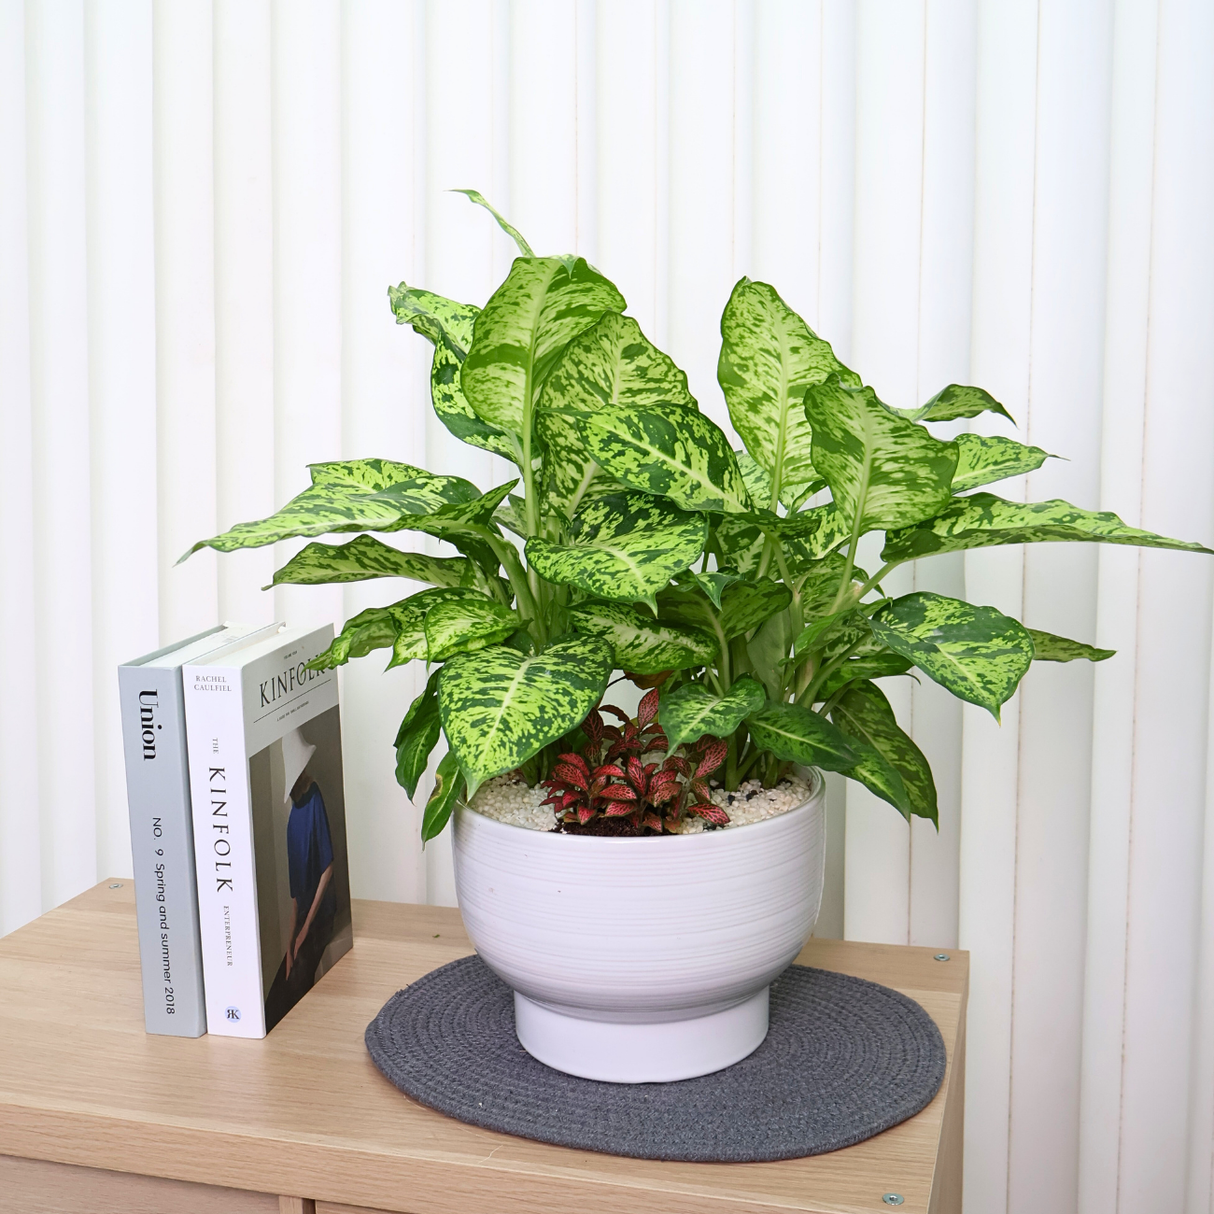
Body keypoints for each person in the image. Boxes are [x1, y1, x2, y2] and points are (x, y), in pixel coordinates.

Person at [264, 727, 336, 1029]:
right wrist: (290, 941)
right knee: (282, 978)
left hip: (321, 914)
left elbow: (327, 868)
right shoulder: (292, 822)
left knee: (298, 983)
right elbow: (295, 899)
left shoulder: (315, 797)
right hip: (305, 916)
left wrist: (306, 930)